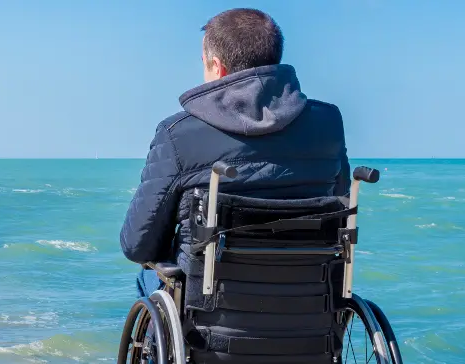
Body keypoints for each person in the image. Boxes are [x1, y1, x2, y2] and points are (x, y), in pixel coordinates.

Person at [120, 8, 351, 297]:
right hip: (308, 305)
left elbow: (137, 245)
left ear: (217, 67)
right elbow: (340, 210)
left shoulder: (177, 134)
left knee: (148, 277)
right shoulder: (328, 123)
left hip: (210, 312)